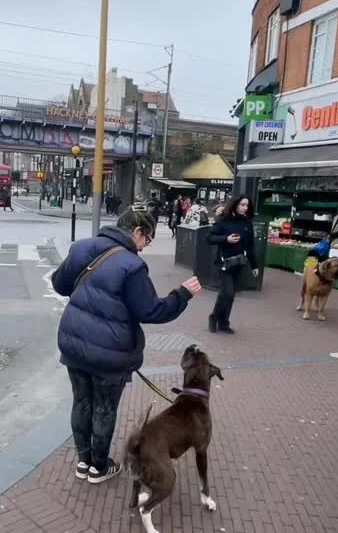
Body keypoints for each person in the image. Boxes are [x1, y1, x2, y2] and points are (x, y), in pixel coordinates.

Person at [51, 206, 202, 484]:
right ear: (137, 231)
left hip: (74, 342)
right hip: (110, 353)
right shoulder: (132, 265)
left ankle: (83, 462)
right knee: (104, 408)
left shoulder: (81, 247)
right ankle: (98, 467)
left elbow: (60, 285)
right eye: (147, 239)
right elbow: (150, 311)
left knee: (81, 402)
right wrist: (182, 294)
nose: (144, 247)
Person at [207, 195, 259, 334]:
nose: (245, 208)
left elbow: (250, 246)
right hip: (224, 262)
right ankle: (214, 317)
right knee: (228, 293)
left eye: (247, 205)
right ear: (235, 205)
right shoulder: (223, 221)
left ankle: (224, 322)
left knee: (229, 294)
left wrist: (254, 265)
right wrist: (226, 239)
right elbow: (209, 237)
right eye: (242, 205)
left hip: (239, 262)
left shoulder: (247, 223)